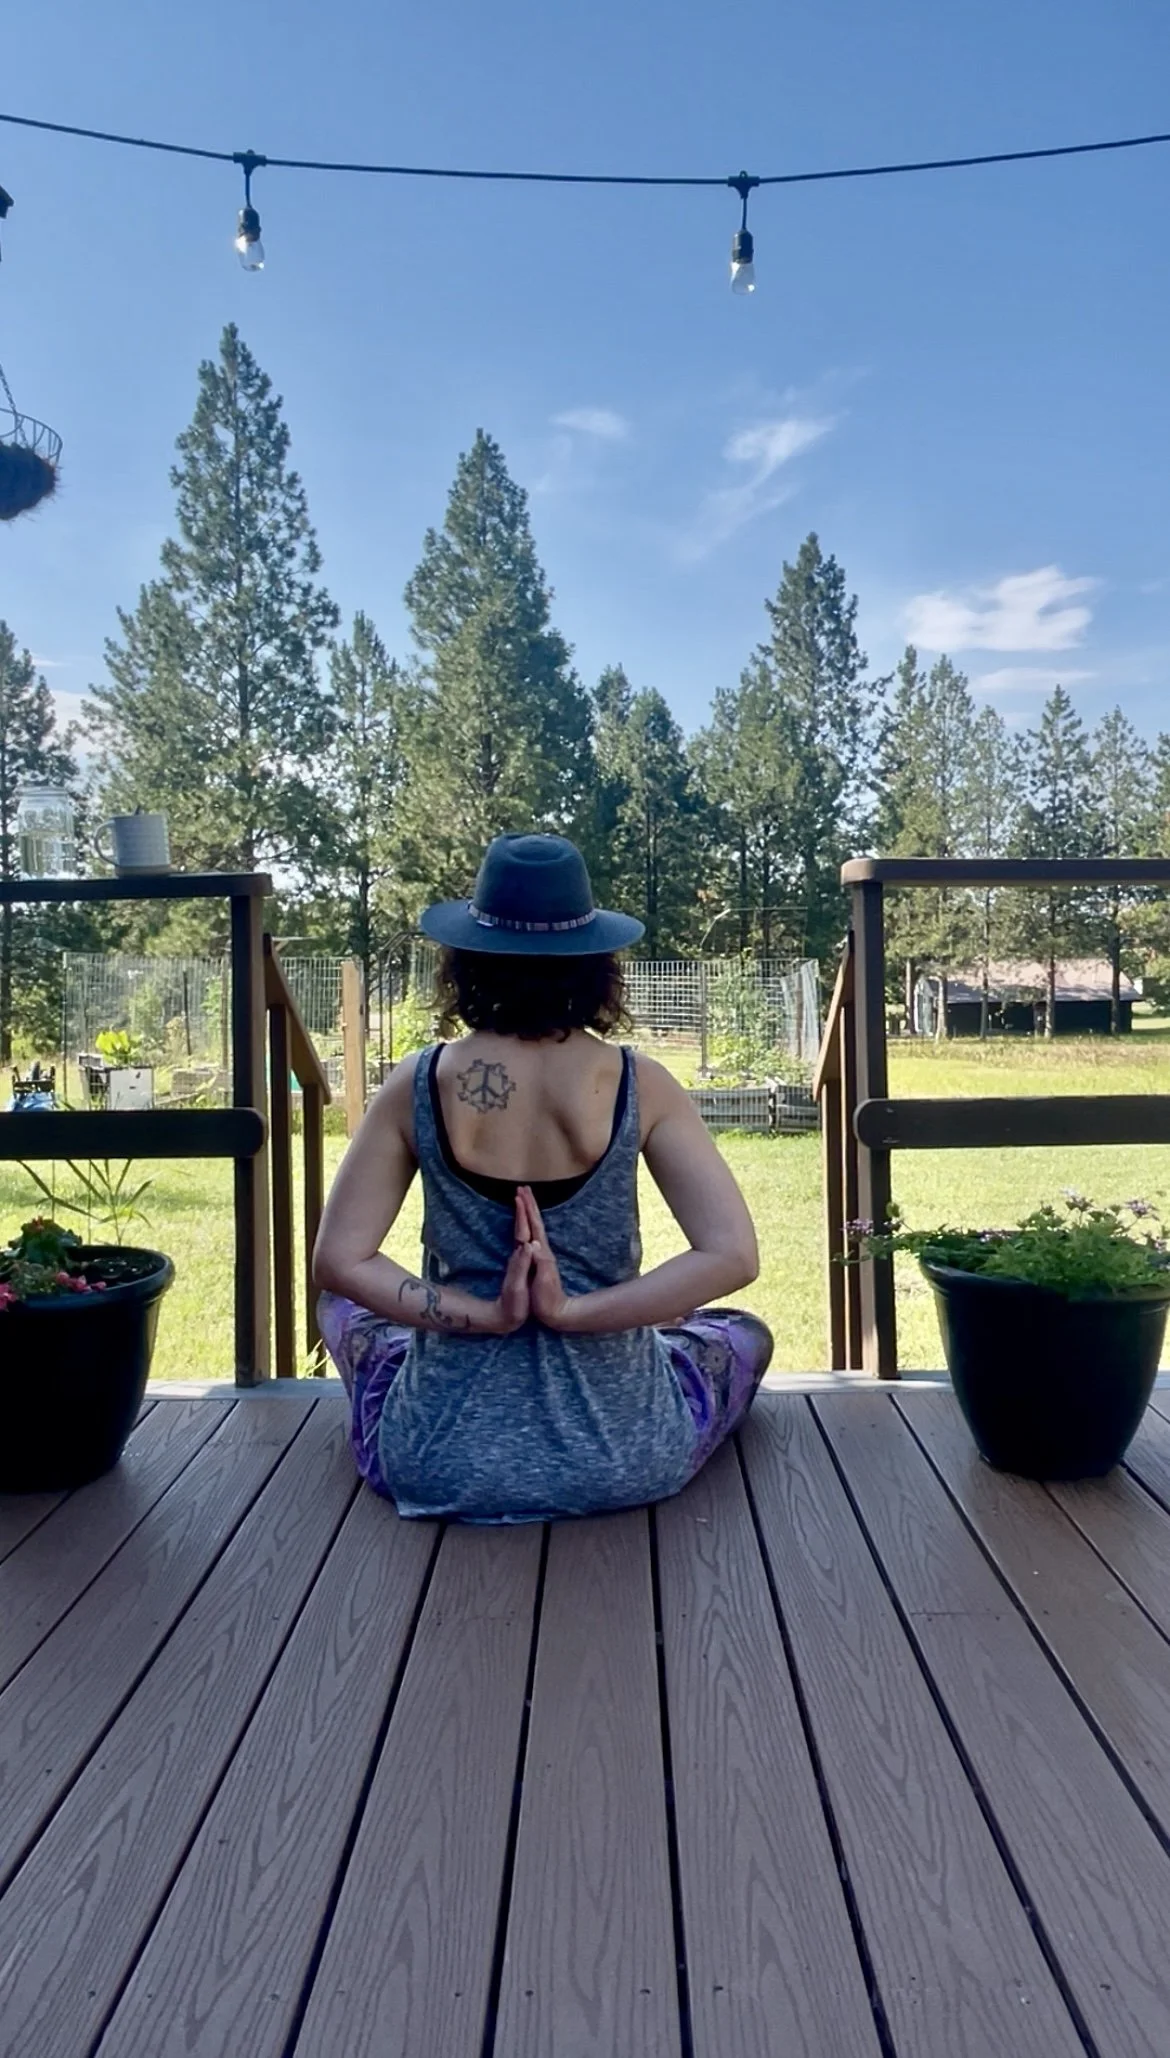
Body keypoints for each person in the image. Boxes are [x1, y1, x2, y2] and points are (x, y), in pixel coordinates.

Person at [313, 832, 773, 1522]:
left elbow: (338, 1263)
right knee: (738, 1334)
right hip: (626, 1455)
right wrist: (573, 1313)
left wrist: (487, 1316)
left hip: (441, 1459)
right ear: (594, 966)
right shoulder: (639, 1083)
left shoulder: (418, 1082)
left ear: (467, 961)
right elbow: (733, 1256)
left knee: (345, 1313)